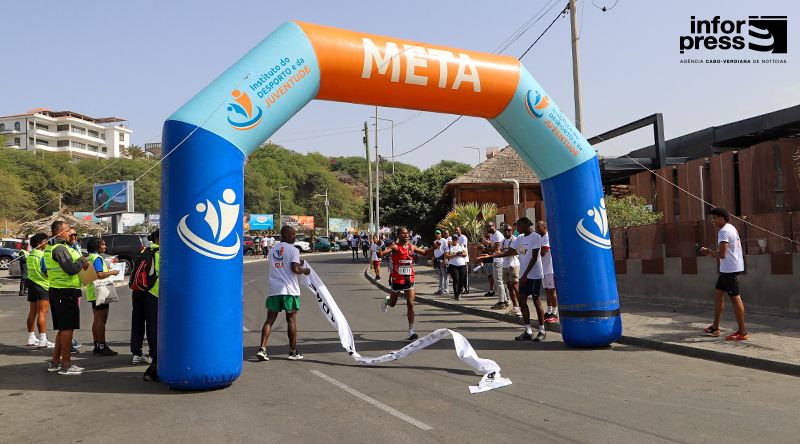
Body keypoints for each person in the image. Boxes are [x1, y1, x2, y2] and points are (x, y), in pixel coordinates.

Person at [257, 225, 310, 361]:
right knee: (291, 320)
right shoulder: (293, 250)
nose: (294, 237)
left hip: (274, 290)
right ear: (285, 235)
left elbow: (281, 263)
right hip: (289, 291)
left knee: (269, 320)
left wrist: (299, 262)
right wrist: (305, 270)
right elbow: (294, 269)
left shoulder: (272, 251)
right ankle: (293, 351)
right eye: (293, 234)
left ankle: (262, 349)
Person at [487, 218, 545, 341]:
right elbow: (511, 252)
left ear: (525, 225)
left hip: (534, 275)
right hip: (524, 275)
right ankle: (528, 330)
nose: (516, 228)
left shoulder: (535, 237)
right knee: (522, 301)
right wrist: (492, 255)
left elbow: (534, 257)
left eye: (518, 225)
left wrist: (525, 275)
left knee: (536, 301)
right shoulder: (520, 238)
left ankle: (542, 330)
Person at [44, 220, 89, 375]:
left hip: (60, 291)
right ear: (59, 233)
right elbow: (71, 269)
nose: (70, 233)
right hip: (65, 291)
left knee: (63, 328)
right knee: (67, 328)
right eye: (67, 230)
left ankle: (55, 362)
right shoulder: (60, 249)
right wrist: (81, 260)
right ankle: (66, 364)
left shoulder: (55, 248)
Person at [378, 227, 435, 340]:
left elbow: (425, 253)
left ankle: (411, 330)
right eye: (403, 233)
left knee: (411, 303)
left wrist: (435, 247)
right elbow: (382, 254)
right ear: (398, 235)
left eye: (407, 233)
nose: (406, 235)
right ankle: (386, 301)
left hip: (409, 279)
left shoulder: (411, 247)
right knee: (392, 304)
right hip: (397, 280)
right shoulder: (395, 246)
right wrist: (380, 247)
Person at [700, 207, 748, 341]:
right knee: (718, 295)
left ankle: (742, 332)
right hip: (728, 269)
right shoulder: (731, 228)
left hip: (730, 270)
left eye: (714, 218)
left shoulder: (724, 231)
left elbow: (722, 254)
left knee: (735, 299)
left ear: (721, 218)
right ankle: (715, 327)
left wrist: (708, 252)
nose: (713, 221)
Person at [85, 237, 120, 356]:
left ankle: (97, 344)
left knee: (96, 320)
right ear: (97, 246)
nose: (105, 247)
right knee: (101, 320)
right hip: (100, 292)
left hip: (92, 291)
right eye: (103, 245)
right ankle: (102, 346)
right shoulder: (97, 258)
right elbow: (99, 274)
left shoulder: (89, 257)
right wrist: (112, 272)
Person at [131, 230, 159, 365]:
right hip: (152, 292)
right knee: (153, 324)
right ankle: (153, 354)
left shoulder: (144, 251)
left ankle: (136, 354)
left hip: (137, 291)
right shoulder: (160, 253)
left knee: (137, 322)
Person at [25, 233, 53, 348]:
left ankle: (31, 337)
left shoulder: (30, 255)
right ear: (39, 243)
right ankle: (42, 339)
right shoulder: (43, 255)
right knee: (42, 313)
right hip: (42, 286)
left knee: (32, 313)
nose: (47, 243)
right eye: (45, 241)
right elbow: (46, 272)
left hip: (32, 285)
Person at [536, 221, 559, 323]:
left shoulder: (547, 237)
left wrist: (535, 250)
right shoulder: (540, 238)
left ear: (544, 227)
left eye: (538, 227)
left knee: (552, 291)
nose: (537, 229)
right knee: (547, 291)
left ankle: (555, 313)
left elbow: (543, 252)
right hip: (543, 269)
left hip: (550, 269)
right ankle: (549, 311)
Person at [486, 222, 508, 310]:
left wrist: (484, 249)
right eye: (487, 227)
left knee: (499, 281)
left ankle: (501, 302)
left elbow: (496, 249)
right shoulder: (492, 235)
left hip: (499, 260)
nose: (488, 228)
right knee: (498, 281)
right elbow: (493, 246)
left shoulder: (498, 235)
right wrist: (487, 244)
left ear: (494, 226)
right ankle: (505, 300)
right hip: (496, 259)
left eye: (489, 226)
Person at [501, 225, 521, 316]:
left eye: (508, 230)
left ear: (511, 230)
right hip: (505, 265)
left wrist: (504, 253)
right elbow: (499, 251)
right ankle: (515, 307)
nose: (507, 232)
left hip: (514, 265)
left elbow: (513, 252)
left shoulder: (515, 239)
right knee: (509, 287)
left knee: (515, 286)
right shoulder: (503, 241)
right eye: (505, 230)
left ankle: (521, 307)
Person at [445, 235, 468, 301]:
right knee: (456, 280)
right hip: (453, 266)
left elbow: (465, 254)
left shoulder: (461, 245)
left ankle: (459, 292)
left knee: (461, 280)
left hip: (462, 265)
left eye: (456, 239)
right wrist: (455, 254)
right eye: (454, 239)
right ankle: (456, 295)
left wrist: (459, 254)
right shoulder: (449, 246)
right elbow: (447, 256)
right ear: (452, 240)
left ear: (458, 240)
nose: (455, 241)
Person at [432, 230, 449, 295]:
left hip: (442, 258)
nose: (437, 235)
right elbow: (434, 250)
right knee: (440, 275)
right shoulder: (435, 241)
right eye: (436, 233)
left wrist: (445, 259)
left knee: (445, 275)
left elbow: (446, 250)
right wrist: (433, 259)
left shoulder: (444, 240)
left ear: (441, 234)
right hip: (437, 259)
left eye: (438, 233)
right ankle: (440, 289)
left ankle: (446, 289)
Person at [454, 227, 470, 293]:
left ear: (460, 230)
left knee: (465, 275)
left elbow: (463, 247)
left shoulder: (463, 237)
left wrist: (456, 245)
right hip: (459, 260)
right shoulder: (456, 238)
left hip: (464, 259)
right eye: (455, 231)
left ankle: (466, 289)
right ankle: (461, 288)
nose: (456, 232)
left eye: (457, 230)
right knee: (460, 275)